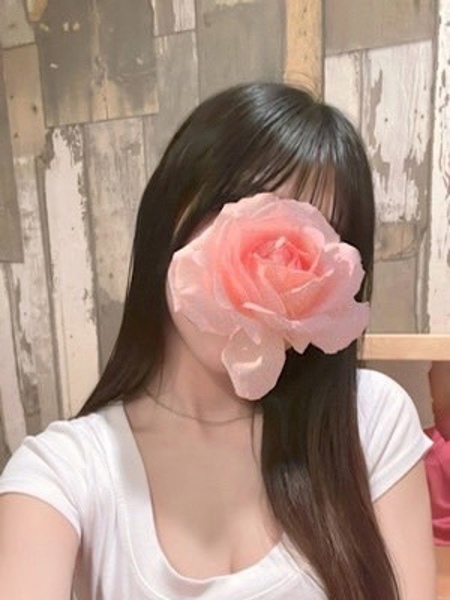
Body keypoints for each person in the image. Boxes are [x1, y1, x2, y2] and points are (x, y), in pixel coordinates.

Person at [0, 83, 436, 600]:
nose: (272, 270)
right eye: (242, 206)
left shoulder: (369, 420)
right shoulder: (65, 470)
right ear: (169, 215)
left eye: (315, 238)